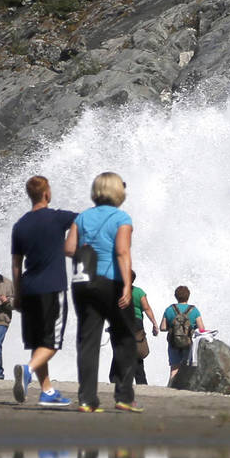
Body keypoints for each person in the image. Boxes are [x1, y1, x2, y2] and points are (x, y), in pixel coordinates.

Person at [70, 172, 141, 412]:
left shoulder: (82, 217)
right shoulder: (121, 217)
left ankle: (87, 400)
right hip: (110, 282)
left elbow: (69, 248)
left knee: (88, 341)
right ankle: (123, 397)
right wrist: (127, 286)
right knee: (125, 338)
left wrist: (87, 246)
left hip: (83, 282)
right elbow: (122, 251)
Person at [9, 175, 78, 407]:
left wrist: (16, 294)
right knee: (51, 343)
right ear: (47, 193)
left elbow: (16, 264)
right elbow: (86, 220)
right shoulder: (59, 218)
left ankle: (47, 391)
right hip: (52, 287)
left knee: (39, 342)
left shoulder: (20, 225)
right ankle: (27, 371)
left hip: (28, 289)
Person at [161, 286, 202, 384]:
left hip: (173, 343)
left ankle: (170, 390)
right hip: (188, 343)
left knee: (174, 369)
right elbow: (201, 328)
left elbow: (162, 327)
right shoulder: (194, 310)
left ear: (176, 296)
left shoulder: (169, 309)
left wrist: (173, 328)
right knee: (187, 369)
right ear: (188, 296)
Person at [128, 271, 159, 385]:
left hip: (121, 322)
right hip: (136, 323)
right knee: (137, 352)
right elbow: (147, 308)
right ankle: (141, 382)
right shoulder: (139, 292)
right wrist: (154, 323)